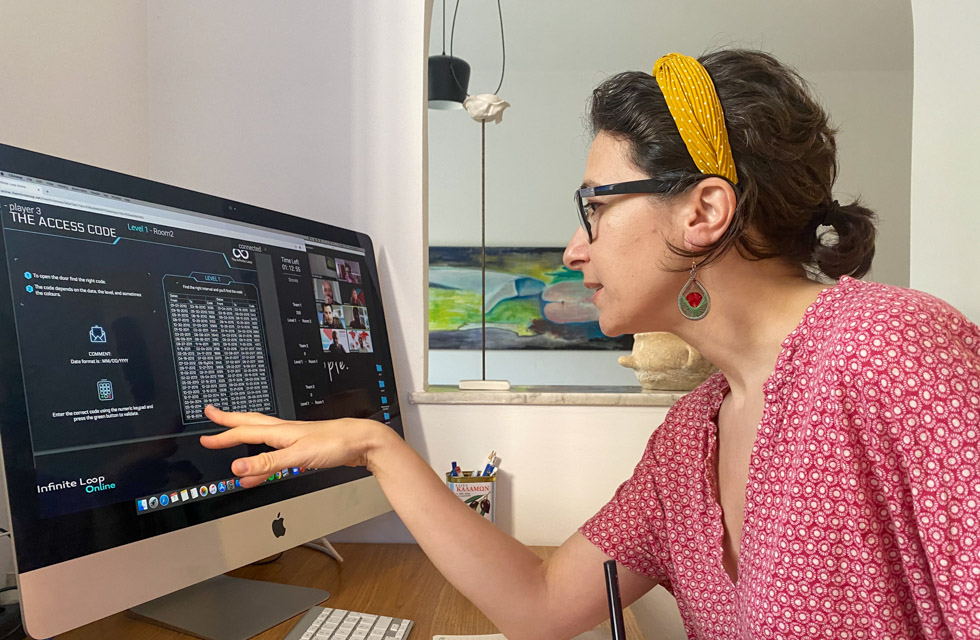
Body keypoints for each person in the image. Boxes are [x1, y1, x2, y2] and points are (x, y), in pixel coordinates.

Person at [200, 49, 980, 639]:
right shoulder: (690, 440)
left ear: (703, 211)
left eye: (594, 207)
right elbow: (540, 605)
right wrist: (379, 448)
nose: (575, 247)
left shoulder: (893, 351)